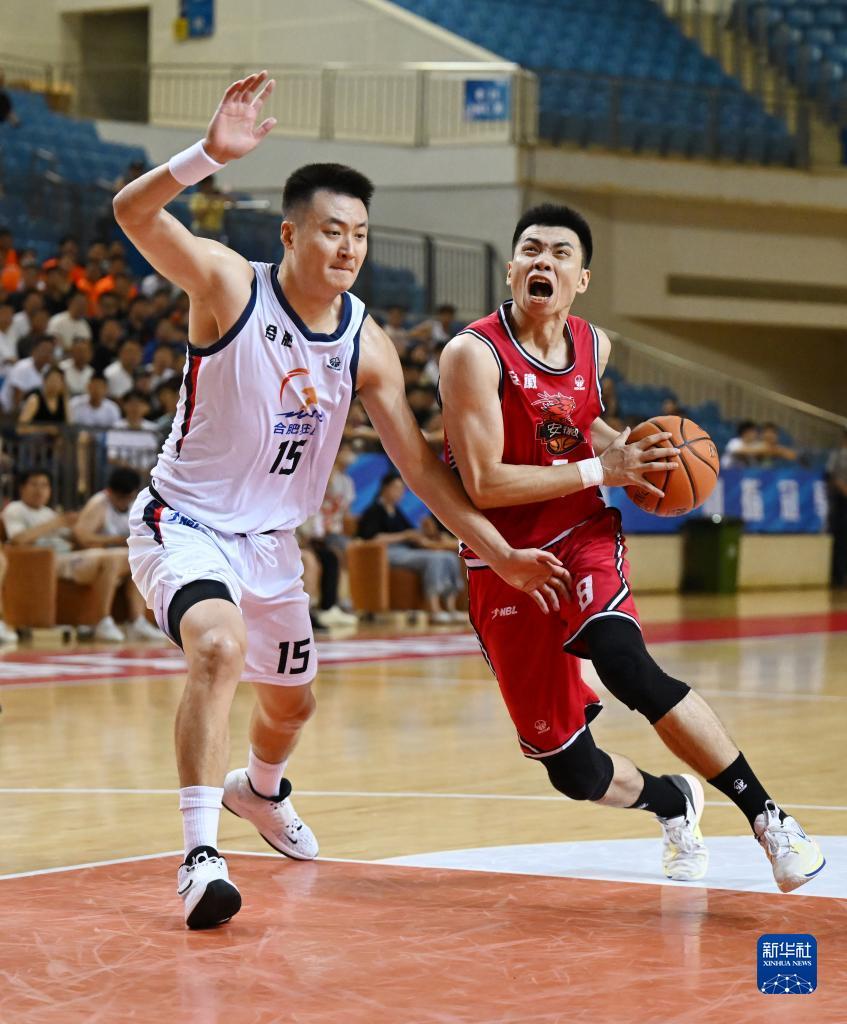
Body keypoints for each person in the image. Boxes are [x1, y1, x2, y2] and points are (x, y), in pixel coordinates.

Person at [112, 70, 566, 930]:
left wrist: (498, 550)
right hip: (187, 523)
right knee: (218, 648)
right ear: (289, 234)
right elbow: (131, 214)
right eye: (331, 230)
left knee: (293, 704)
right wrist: (207, 154)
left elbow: (421, 469)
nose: (348, 247)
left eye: (359, 234)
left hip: (273, 547)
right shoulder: (228, 284)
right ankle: (201, 858)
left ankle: (261, 790)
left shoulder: (366, 342)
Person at [438, 201, 825, 896]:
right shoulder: (473, 354)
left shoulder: (594, 345)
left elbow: (579, 422)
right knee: (571, 768)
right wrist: (603, 466)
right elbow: (486, 483)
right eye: (531, 249)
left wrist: (628, 452)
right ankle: (671, 801)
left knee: (624, 662)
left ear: (581, 279)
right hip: (502, 560)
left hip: (580, 533)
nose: (543, 261)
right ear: (511, 267)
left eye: (560, 253)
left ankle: (771, 819)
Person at [2, 469, 129, 642]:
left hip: (70, 557)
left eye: (44, 485)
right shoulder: (15, 509)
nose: (39, 490)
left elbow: (74, 539)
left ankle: (133, 621)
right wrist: (56, 522)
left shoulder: (48, 512)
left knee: (128, 559)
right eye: (34, 484)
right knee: (111, 559)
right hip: (47, 562)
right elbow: (17, 539)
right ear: (22, 488)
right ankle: (102, 621)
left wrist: (78, 527)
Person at [357, 472, 464, 623]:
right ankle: (434, 609)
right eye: (396, 488)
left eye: (402, 489)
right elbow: (373, 538)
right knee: (434, 559)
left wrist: (426, 534)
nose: (400, 493)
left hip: (406, 551)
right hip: (388, 552)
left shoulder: (397, 511)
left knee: (449, 557)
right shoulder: (373, 511)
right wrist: (404, 535)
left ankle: (450, 607)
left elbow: (411, 533)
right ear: (384, 488)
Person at [72, 467, 161, 641]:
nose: (123, 502)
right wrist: (116, 540)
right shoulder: (99, 504)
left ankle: (137, 621)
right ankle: (102, 621)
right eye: (119, 498)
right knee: (115, 559)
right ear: (109, 491)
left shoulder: (138, 505)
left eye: (127, 498)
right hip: (93, 557)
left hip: (121, 559)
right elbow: (81, 536)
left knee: (141, 559)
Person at [826, 428, 847, 589]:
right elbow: (831, 476)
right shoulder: (837, 455)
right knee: (840, 538)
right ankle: (838, 576)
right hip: (840, 502)